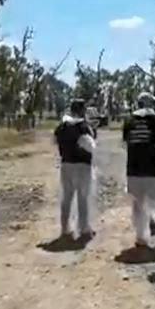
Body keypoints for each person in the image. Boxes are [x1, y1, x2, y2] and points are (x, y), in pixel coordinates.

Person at [122, 92, 155, 248]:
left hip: (133, 168)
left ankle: (141, 237)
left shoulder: (129, 120)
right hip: (152, 167)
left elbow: (125, 143)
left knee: (138, 204)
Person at [54, 99, 96, 240]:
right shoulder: (83, 126)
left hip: (66, 164)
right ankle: (84, 229)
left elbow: (54, 140)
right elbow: (90, 146)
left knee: (66, 198)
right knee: (82, 198)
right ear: (82, 110)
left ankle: (65, 228)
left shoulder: (62, 126)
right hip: (82, 166)